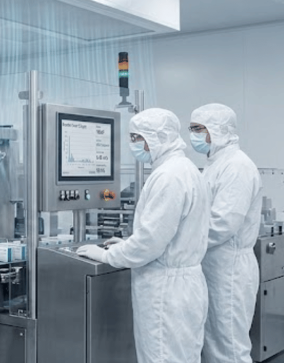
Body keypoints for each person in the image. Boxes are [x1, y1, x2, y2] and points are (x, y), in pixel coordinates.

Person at [76, 108, 209, 363]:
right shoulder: (185, 168)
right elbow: (167, 233)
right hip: (184, 286)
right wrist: (127, 244)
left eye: (137, 137)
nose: (133, 144)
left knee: (162, 356)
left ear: (156, 137)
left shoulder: (168, 176)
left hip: (166, 292)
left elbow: (150, 243)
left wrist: (107, 254)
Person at [189, 103, 262, 363]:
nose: (193, 136)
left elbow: (221, 224)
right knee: (215, 344)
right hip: (213, 265)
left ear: (218, 130)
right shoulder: (216, 163)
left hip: (228, 269)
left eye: (198, 129)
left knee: (229, 348)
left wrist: (177, 242)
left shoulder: (237, 166)